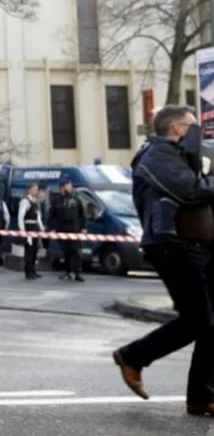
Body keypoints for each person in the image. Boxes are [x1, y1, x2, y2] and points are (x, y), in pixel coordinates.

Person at [112, 105, 214, 417]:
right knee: (200, 321)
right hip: (171, 244)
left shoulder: (179, 157)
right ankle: (133, 356)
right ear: (178, 129)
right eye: (193, 127)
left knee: (210, 323)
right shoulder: (156, 156)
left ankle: (201, 397)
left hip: (193, 245)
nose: (199, 133)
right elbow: (189, 191)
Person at [47, 178, 87, 282]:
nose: (71, 187)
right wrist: (51, 229)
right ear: (63, 187)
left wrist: (83, 227)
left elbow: (83, 215)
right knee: (67, 253)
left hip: (74, 230)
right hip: (62, 231)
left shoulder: (77, 199)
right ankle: (69, 272)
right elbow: (51, 216)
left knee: (77, 252)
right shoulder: (56, 200)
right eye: (69, 185)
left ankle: (78, 273)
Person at [17, 183, 44, 280]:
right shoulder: (25, 201)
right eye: (34, 189)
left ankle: (33, 270)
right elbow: (20, 217)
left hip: (35, 228)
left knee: (35, 250)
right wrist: (23, 231)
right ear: (29, 190)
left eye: (37, 189)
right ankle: (28, 272)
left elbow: (38, 218)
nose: (36, 191)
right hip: (29, 228)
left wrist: (41, 228)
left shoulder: (36, 202)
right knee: (29, 251)